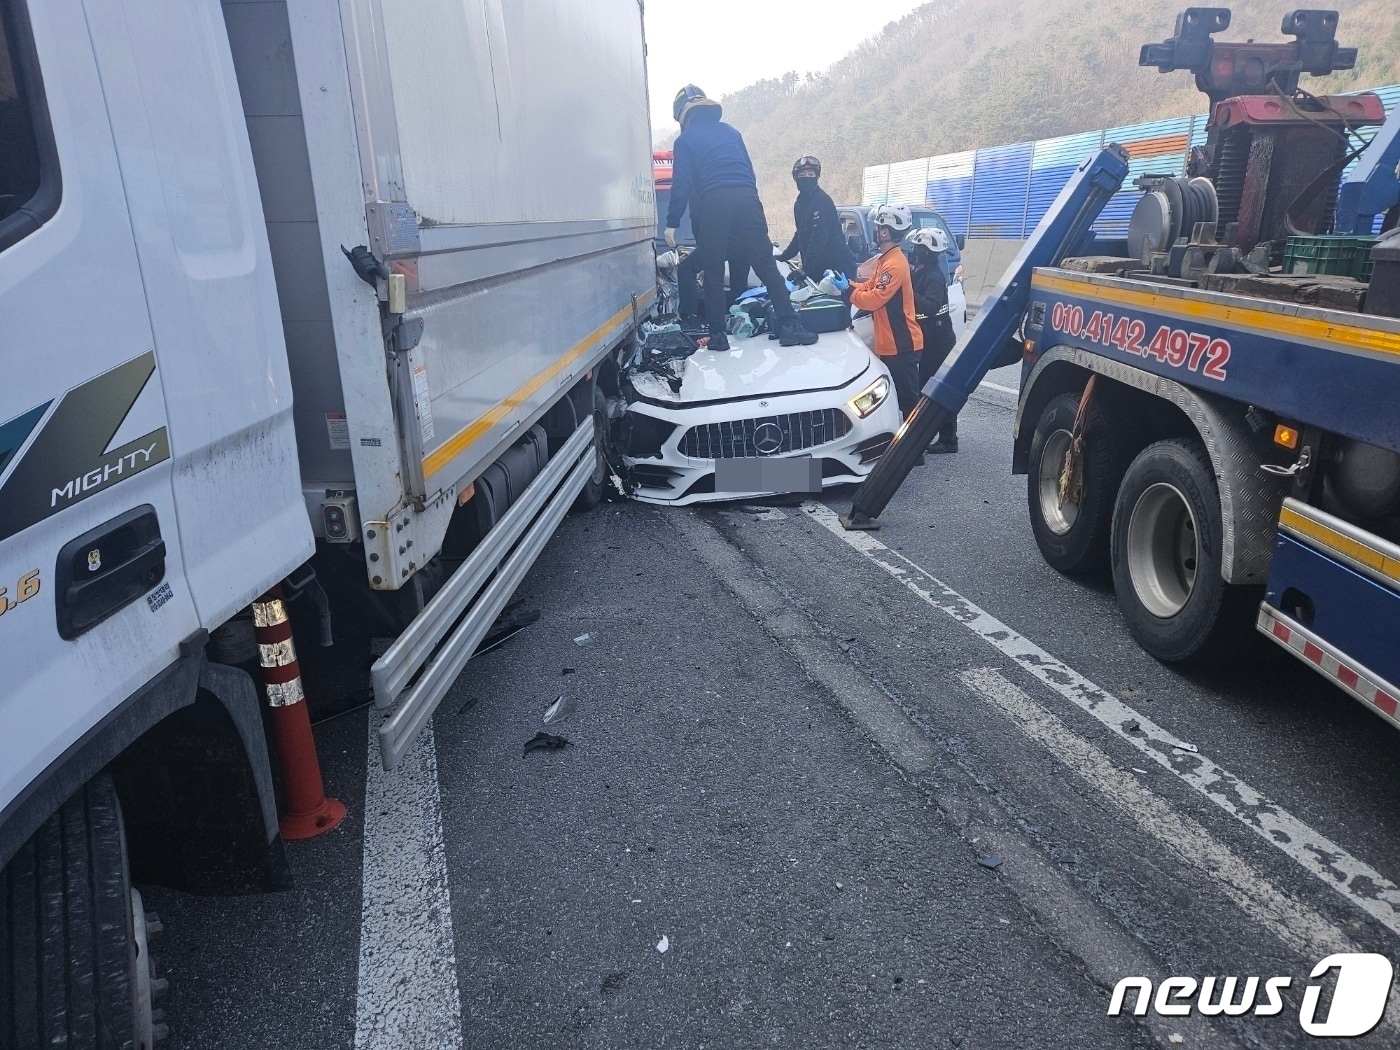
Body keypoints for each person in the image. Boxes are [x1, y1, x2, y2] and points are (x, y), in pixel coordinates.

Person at [664, 85, 816, 352]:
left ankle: (719, 338)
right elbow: (750, 172)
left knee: (712, 273)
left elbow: (682, 184)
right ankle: (791, 327)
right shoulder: (732, 132)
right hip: (748, 199)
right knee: (766, 266)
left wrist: (673, 221)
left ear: (683, 115)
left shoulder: (685, 140)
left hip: (715, 203)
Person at [830, 204, 923, 416]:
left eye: (879, 226)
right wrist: (848, 284)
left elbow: (873, 300)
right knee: (895, 400)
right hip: (893, 344)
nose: (876, 230)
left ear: (885, 231)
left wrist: (847, 292)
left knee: (908, 403)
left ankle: (916, 447)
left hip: (902, 344)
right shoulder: (887, 260)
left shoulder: (894, 265)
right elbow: (870, 285)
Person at [907, 227, 960, 453]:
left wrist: (907, 292)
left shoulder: (934, 276)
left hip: (938, 343)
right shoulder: (921, 271)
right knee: (927, 389)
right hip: (930, 340)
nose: (914, 252)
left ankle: (948, 440)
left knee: (937, 391)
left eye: (919, 249)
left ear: (928, 252)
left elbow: (930, 306)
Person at [776, 156, 856, 283]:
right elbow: (800, 234)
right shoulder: (799, 203)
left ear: (817, 176)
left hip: (839, 267)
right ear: (795, 178)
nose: (806, 177)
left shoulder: (822, 201)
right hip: (819, 269)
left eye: (810, 174)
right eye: (802, 175)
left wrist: (806, 269)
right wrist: (783, 256)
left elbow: (818, 238)